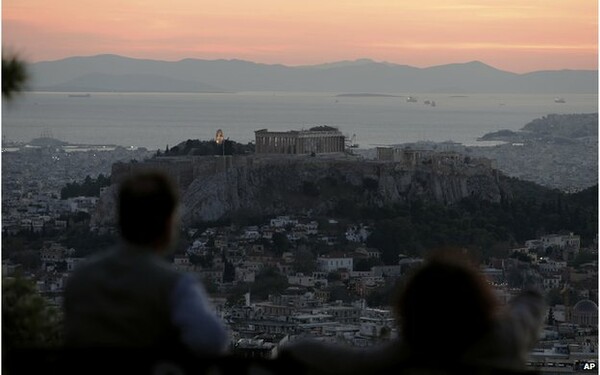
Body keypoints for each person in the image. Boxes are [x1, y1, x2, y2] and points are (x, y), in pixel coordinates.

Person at [280, 251, 545, 374]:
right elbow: (532, 302)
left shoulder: (401, 354)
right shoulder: (509, 336)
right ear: (480, 301)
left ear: (410, 310)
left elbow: (314, 353)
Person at [64, 171, 228, 359]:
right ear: (168, 225)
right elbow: (212, 339)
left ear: (121, 220)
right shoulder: (175, 286)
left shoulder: (80, 278)